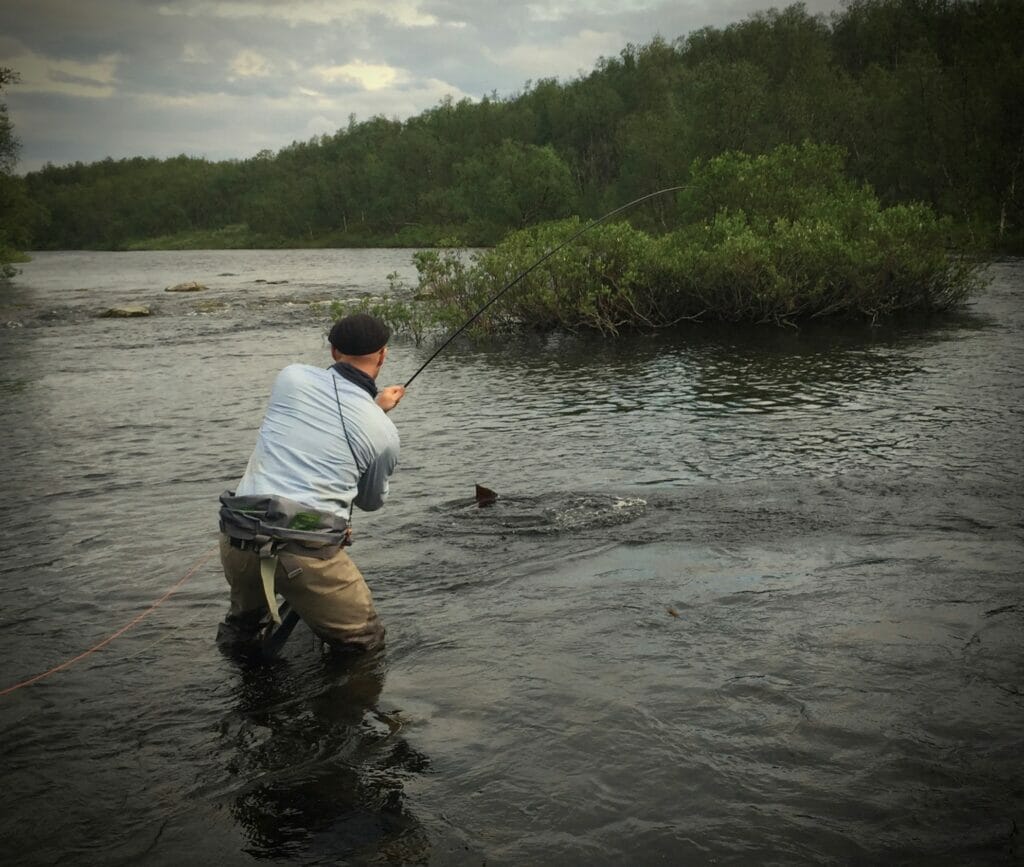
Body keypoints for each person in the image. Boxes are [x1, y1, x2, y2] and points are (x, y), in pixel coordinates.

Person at [216, 313, 405, 654]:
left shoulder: (290, 377)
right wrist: (377, 415)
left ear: (333, 351)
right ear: (383, 355)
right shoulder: (385, 434)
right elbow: (369, 501)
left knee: (244, 629)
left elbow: (322, 417)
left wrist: (374, 410)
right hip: (306, 552)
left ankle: (245, 693)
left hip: (238, 538)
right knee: (366, 643)